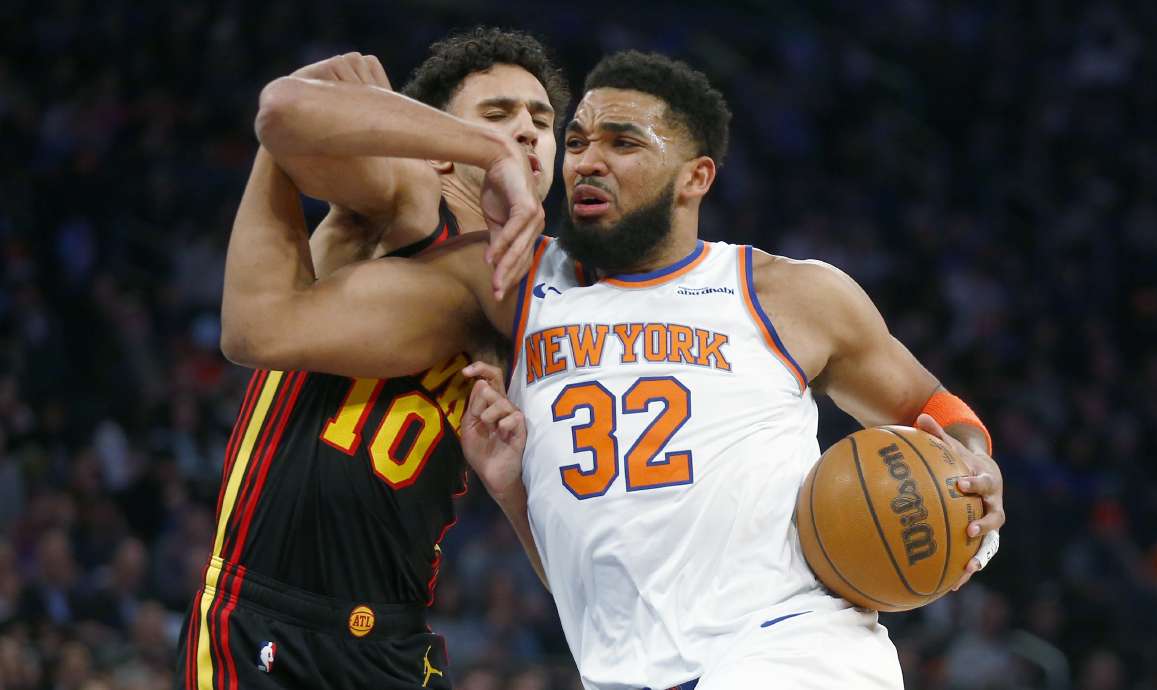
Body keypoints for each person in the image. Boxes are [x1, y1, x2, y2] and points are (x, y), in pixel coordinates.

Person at [220, 50, 1005, 690]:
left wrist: (972, 462)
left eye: (623, 143)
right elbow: (587, 576)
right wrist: (514, 489)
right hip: (624, 673)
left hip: (790, 650)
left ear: (696, 177)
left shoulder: (786, 292)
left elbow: (929, 403)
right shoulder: (518, 290)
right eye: (582, 140)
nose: (586, 160)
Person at [179, 28, 568, 690]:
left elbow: (566, 563)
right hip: (269, 620)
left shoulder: (540, 297)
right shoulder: (408, 198)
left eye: (540, 120)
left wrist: (507, 487)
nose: (525, 133)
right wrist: (485, 152)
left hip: (395, 639)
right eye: (497, 116)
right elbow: (281, 112)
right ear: (440, 147)